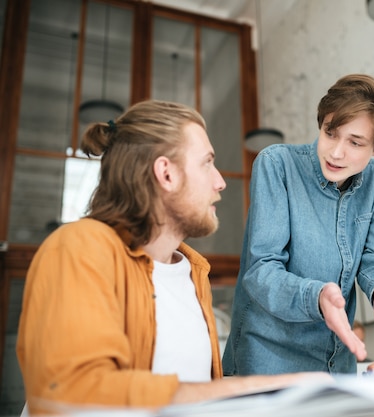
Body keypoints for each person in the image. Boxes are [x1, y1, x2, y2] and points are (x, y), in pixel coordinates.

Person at [16, 100, 325, 415]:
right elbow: (71, 395)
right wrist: (252, 391)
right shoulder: (79, 247)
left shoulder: (193, 272)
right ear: (166, 173)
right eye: (207, 163)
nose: (220, 182)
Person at [223, 74, 374, 376]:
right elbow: (262, 269)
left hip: (336, 359)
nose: (335, 152)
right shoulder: (278, 165)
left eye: (355, 142)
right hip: (268, 358)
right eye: (330, 133)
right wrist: (316, 297)